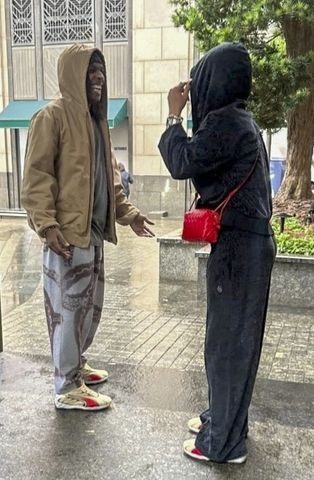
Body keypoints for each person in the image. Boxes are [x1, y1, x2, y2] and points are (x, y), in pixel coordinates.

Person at [158, 43, 276, 464]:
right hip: (246, 245)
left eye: (201, 77)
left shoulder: (227, 122)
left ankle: (223, 444)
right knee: (232, 341)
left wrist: (174, 114)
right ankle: (224, 422)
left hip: (239, 249)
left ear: (215, 80)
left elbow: (183, 160)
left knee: (227, 344)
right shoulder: (239, 121)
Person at [21, 44, 154, 411]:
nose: (98, 77)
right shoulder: (51, 117)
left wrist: (130, 215)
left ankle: (75, 364)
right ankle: (66, 387)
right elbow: (36, 178)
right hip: (65, 237)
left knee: (89, 308)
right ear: (73, 75)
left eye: (101, 70)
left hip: (93, 234)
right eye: (91, 70)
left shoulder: (98, 124)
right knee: (67, 310)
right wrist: (47, 226)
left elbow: (110, 183)